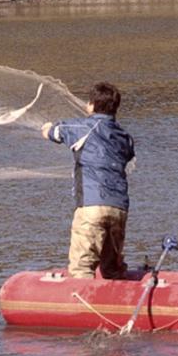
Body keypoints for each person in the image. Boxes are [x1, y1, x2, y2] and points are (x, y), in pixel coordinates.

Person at [41, 81, 135, 279]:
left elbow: (53, 132)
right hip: (119, 209)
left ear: (91, 105)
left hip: (91, 207)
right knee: (112, 269)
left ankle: (80, 304)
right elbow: (127, 155)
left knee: (81, 268)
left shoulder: (81, 127)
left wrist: (47, 127)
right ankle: (117, 303)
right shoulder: (125, 136)